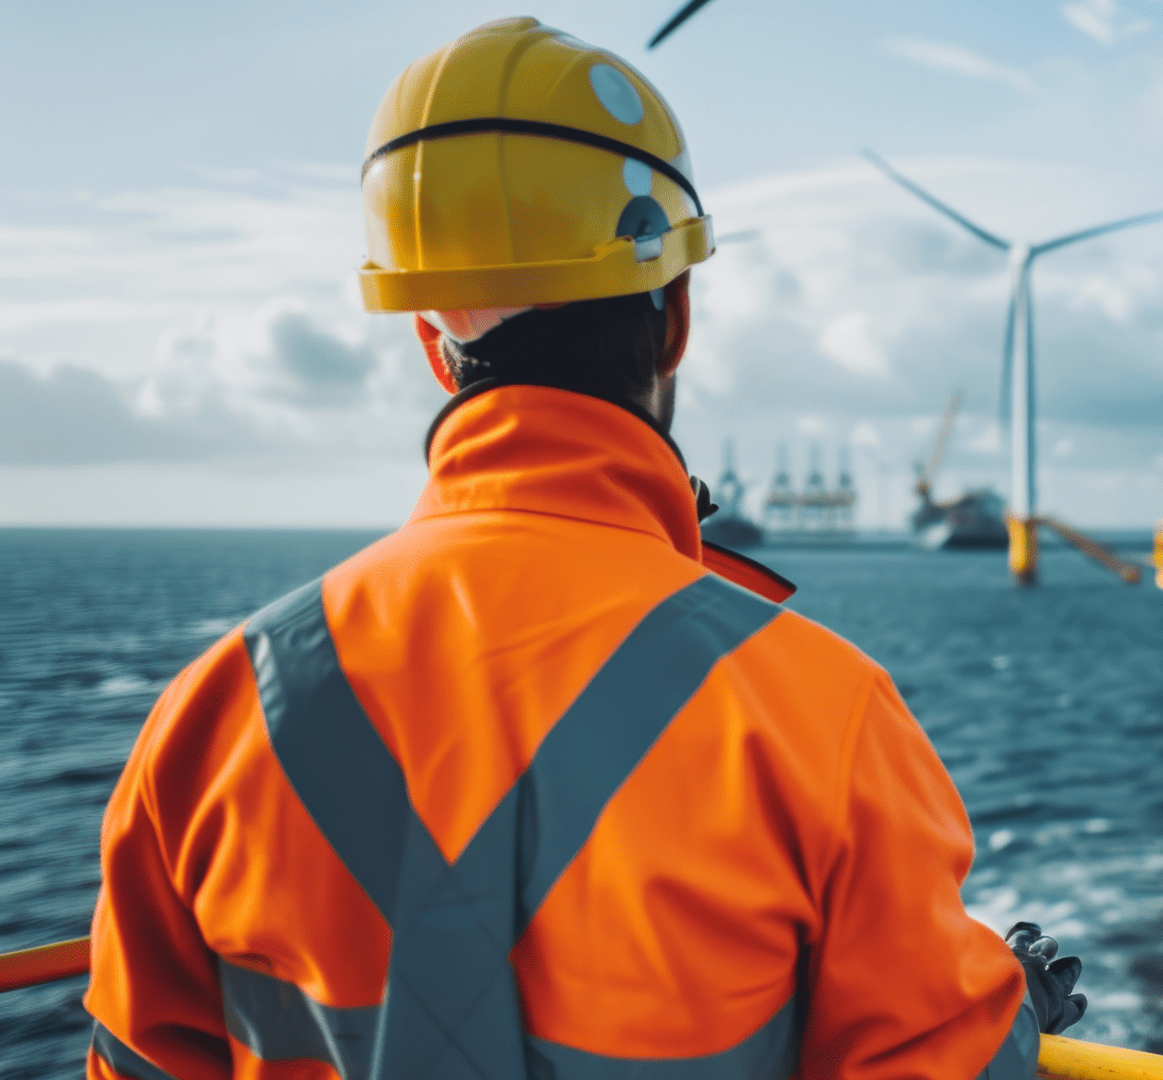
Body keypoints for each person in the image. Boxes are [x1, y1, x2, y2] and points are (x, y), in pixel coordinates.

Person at [83, 19, 1084, 1080]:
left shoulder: (207, 718)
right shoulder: (823, 719)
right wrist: (1008, 1002)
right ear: (677, 320)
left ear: (432, 340)